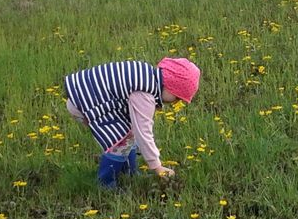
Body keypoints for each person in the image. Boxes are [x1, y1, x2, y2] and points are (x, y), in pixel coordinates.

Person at [63, 58, 200, 186]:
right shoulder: (144, 94)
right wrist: (157, 167)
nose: (176, 102)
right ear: (171, 86)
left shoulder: (147, 76)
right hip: (85, 104)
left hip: (85, 97)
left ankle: (129, 173)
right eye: (177, 97)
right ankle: (106, 184)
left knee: (128, 134)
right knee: (120, 142)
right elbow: (143, 132)